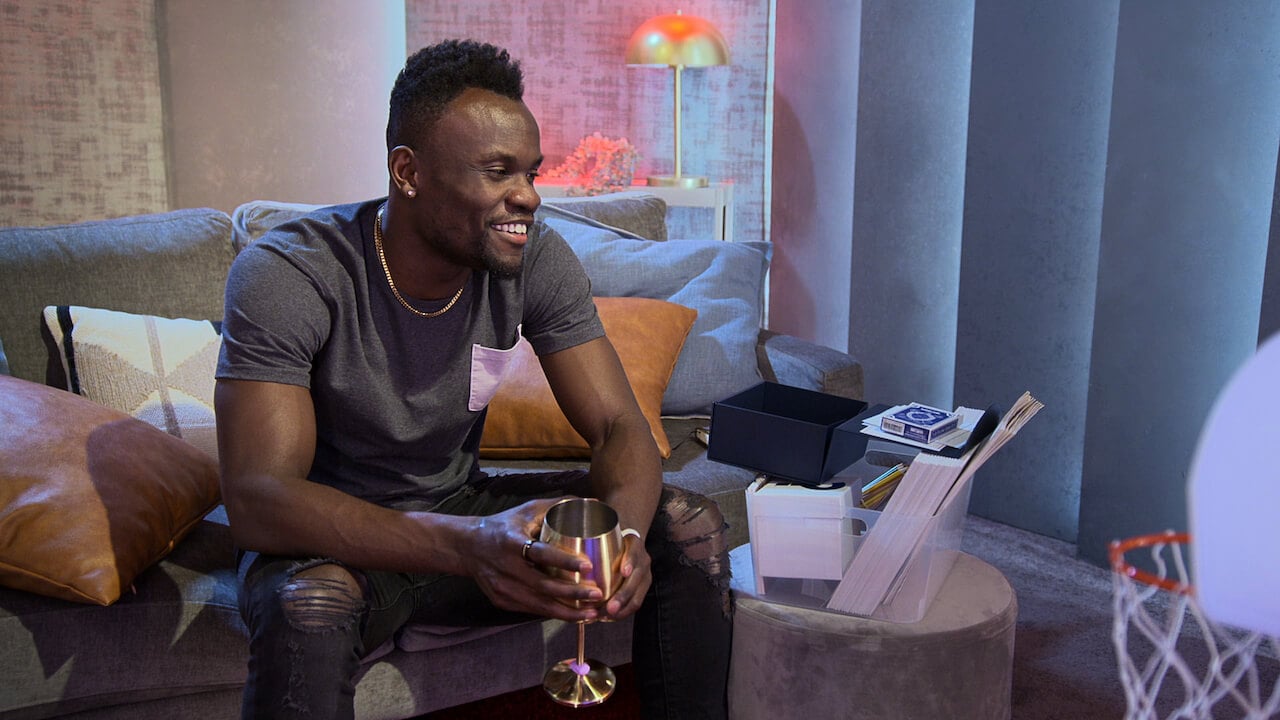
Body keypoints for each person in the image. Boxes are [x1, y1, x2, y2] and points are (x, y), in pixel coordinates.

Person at [214, 39, 732, 719]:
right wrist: (468, 547)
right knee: (311, 604)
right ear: (408, 171)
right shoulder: (291, 273)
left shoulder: (533, 256)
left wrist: (622, 542)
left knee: (686, 524)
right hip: (333, 541)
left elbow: (616, 425)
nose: (528, 196)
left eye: (530, 172)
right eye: (497, 172)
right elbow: (259, 498)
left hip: (461, 513)